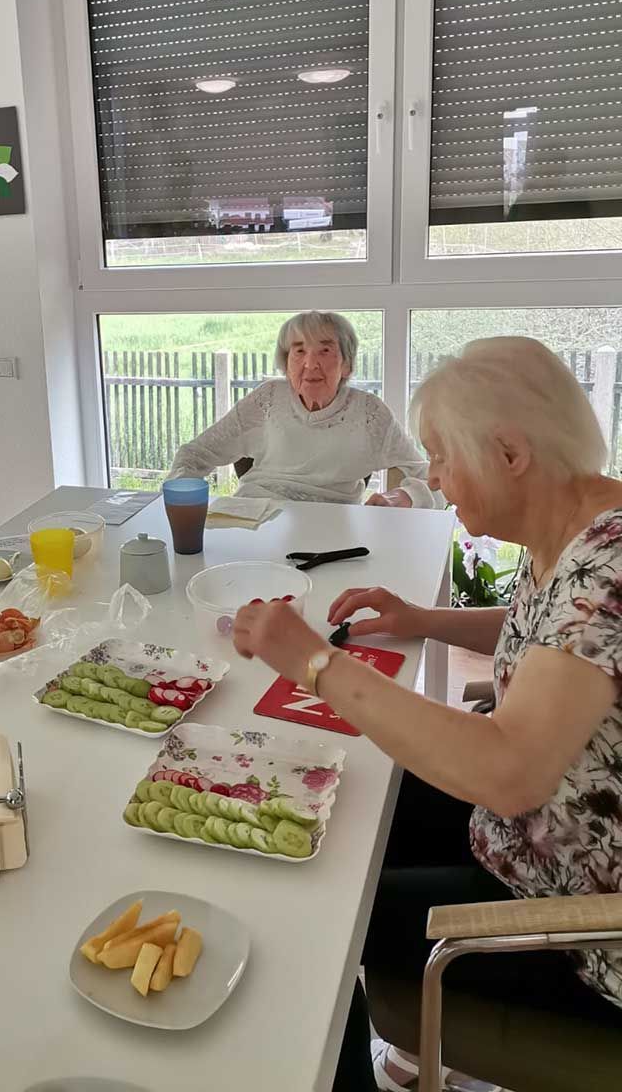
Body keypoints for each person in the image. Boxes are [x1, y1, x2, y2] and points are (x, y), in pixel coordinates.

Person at [233, 337, 622, 1091]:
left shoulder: (607, 568)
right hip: (543, 835)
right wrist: (424, 617)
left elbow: (507, 773)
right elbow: (554, 640)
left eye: (443, 458)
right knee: (340, 796)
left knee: (320, 921)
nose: (435, 480)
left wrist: (316, 663)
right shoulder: (583, 524)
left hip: (584, 924)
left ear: (510, 452)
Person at [166, 311, 436, 507]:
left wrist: (400, 497)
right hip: (255, 518)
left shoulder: (368, 413)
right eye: (298, 351)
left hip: (332, 527)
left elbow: (433, 478)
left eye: (325, 351)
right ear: (286, 364)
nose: (310, 364)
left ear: (347, 365)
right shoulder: (268, 399)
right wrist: (183, 500)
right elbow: (195, 454)